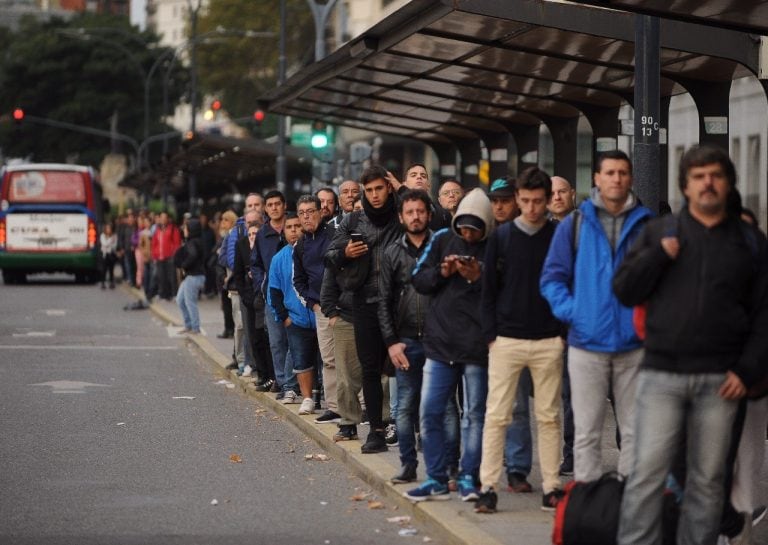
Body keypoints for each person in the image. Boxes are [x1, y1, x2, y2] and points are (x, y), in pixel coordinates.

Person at [613, 145, 768, 545]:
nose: (708, 183)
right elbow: (625, 290)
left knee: (708, 482)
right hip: (662, 374)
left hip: (722, 379)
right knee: (646, 475)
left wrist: (748, 369)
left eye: (715, 175)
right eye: (699, 177)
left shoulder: (750, 242)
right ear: (685, 185)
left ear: (728, 182)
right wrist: (658, 258)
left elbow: (764, 314)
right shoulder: (659, 232)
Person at [541, 150, 652, 482]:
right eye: (610, 172)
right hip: (586, 343)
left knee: (634, 430)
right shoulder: (575, 225)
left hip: (634, 345)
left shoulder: (647, 225)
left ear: (630, 178)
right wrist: (576, 312)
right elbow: (552, 278)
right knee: (587, 432)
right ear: (597, 179)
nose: (616, 178)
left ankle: (630, 502)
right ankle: (589, 500)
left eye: (622, 172)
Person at [474, 167, 564, 514]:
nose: (531, 208)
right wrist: (491, 336)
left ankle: (552, 486)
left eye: (537, 201)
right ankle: (488, 487)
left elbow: (567, 282)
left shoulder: (558, 235)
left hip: (548, 339)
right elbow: (488, 290)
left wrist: (562, 334)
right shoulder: (503, 236)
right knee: (498, 415)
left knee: (549, 416)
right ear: (517, 199)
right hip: (507, 339)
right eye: (524, 201)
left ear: (547, 200)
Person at [405, 188, 493, 502]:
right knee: (429, 412)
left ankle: (469, 476)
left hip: (476, 346)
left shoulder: (494, 245)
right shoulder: (442, 239)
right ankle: (436, 476)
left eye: (475, 228)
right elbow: (419, 279)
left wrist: (477, 276)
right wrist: (443, 271)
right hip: (440, 343)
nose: (468, 234)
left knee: (474, 415)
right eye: (464, 227)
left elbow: (503, 289)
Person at [378, 189, 458, 484]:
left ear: (428, 213)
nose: (415, 217)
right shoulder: (392, 253)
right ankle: (408, 465)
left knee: (448, 407)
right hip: (406, 341)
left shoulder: (445, 244)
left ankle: (452, 468)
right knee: (406, 405)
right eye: (409, 212)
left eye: (420, 211)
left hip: (441, 340)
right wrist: (390, 342)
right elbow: (383, 301)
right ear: (401, 217)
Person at [325, 165, 402, 453]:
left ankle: (409, 427)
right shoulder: (353, 219)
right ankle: (377, 432)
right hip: (364, 302)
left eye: (379, 188)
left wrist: (402, 186)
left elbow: (429, 213)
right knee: (370, 369)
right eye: (368, 190)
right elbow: (329, 256)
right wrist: (344, 252)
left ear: (389, 187)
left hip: (399, 303)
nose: (374, 195)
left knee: (402, 368)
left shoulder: (402, 214)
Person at [251, 191, 297, 400]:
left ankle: (293, 383)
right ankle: (281, 381)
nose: (274, 208)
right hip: (272, 294)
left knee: (296, 340)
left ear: (284, 205)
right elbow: (256, 263)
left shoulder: (295, 226)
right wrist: (262, 284)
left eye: (278, 204)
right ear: (266, 209)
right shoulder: (262, 233)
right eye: (270, 205)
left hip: (296, 292)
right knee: (277, 341)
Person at [293, 195, 334, 418]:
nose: (307, 216)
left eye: (311, 211)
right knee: (328, 360)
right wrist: (312, 303)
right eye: (302, 213)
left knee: (350, 359)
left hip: (343, 307)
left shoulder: (335, 235)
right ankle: (334, 407)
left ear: (320, 211)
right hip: (321, 309)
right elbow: (298, 280)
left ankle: (361, 407)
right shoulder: (300, 245)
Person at [547, 175, 577, 476]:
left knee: (571, 396)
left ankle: (573, 453)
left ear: (573, 194)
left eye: (562, 192)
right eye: (552, 192)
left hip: (574, 327)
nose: (557, 197)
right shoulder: (542, 231)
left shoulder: (584, 229)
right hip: (547, 328)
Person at [267, 213, 310, 407]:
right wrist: (283, 317)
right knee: (296, 353)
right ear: (283, 232)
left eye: (297, 226)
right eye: (289, 227)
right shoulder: (279, 258)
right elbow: (274, 291)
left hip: (315, 313)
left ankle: (317, 392)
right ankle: (289, 387)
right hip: (294, 315)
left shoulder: (312, 251)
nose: (294, 230)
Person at [175, 218, 206, 334]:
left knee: (189, 302)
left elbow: (193, 255)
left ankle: (195, 327)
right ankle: (188, 325)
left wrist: (184, 265)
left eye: (186, 228)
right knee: (180, 300)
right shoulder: (196, 241)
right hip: (192, 276)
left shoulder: (192, 242)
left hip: (194, 276)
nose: (184, 230)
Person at [151, 211, 182, 300]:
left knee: (171, 276)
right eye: (161, 218)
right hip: (160, 257)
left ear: (168, 219)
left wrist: (173, 254)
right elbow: (154, 243)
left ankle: (174, 294)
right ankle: (163, 294)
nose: (163, 219)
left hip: (170, 257)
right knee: (161, 277)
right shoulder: (157, 230)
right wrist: (154, 254)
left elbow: (177, 243)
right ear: (159, 219)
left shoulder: (173, 229)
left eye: (165, 217)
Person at [99, 223, 118, 289]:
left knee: (111, 269)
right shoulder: (102, 235)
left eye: (109, 228)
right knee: (104, 269)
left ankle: (111, 282)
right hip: (104, 254)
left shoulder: (114, 236)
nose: (108, 230)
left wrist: (109, 243)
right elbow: (104, 244)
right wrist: (110, 240)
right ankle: (103, 282)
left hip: (111, 254)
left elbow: (114, 246)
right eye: (107, 228)